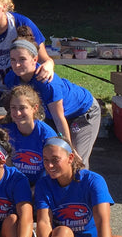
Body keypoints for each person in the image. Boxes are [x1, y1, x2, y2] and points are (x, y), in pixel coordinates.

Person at [6, 28, 102, 166]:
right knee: (49, 154)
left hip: (83, 112)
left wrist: (69, 148)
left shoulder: (46, 82)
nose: (17, 65)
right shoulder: (11, 78)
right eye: (13, 60)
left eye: (22, 59)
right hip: (50, 116)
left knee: (73, 160)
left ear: (35, 59)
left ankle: (80, 183)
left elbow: (59, 117)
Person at [0, 85, 56, 188]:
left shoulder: (47, 135)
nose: (17, 113)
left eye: (22, 108)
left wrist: (34, 191)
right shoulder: (5, 132)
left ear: (34, 108)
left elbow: (51, 170)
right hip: (14, 184)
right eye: (13, 108)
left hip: (42, 185)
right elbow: (5, 165)